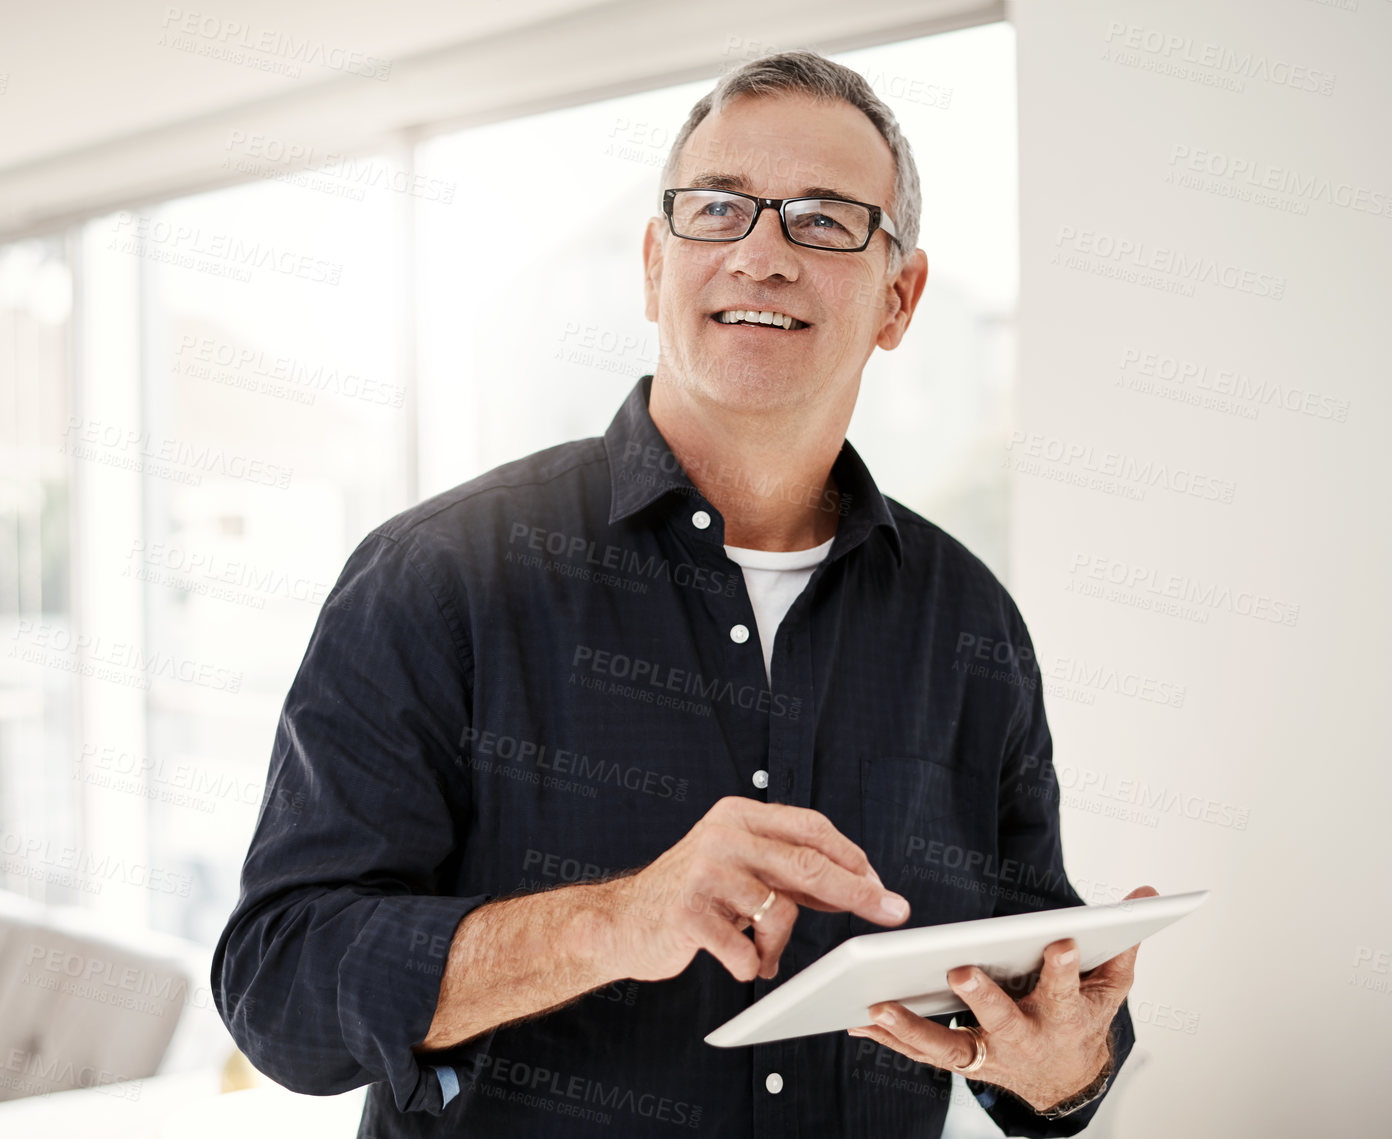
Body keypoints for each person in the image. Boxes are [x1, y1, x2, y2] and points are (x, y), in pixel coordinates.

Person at [212, 49, 1154, 1137]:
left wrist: (1066, 1066)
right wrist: (616, 920)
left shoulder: (969, 621)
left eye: (823, 218)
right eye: (718, 210)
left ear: (899, 297)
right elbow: (279, 989)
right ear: (656, 262)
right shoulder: (439, 577)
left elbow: (1038, 979)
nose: (761, 254)